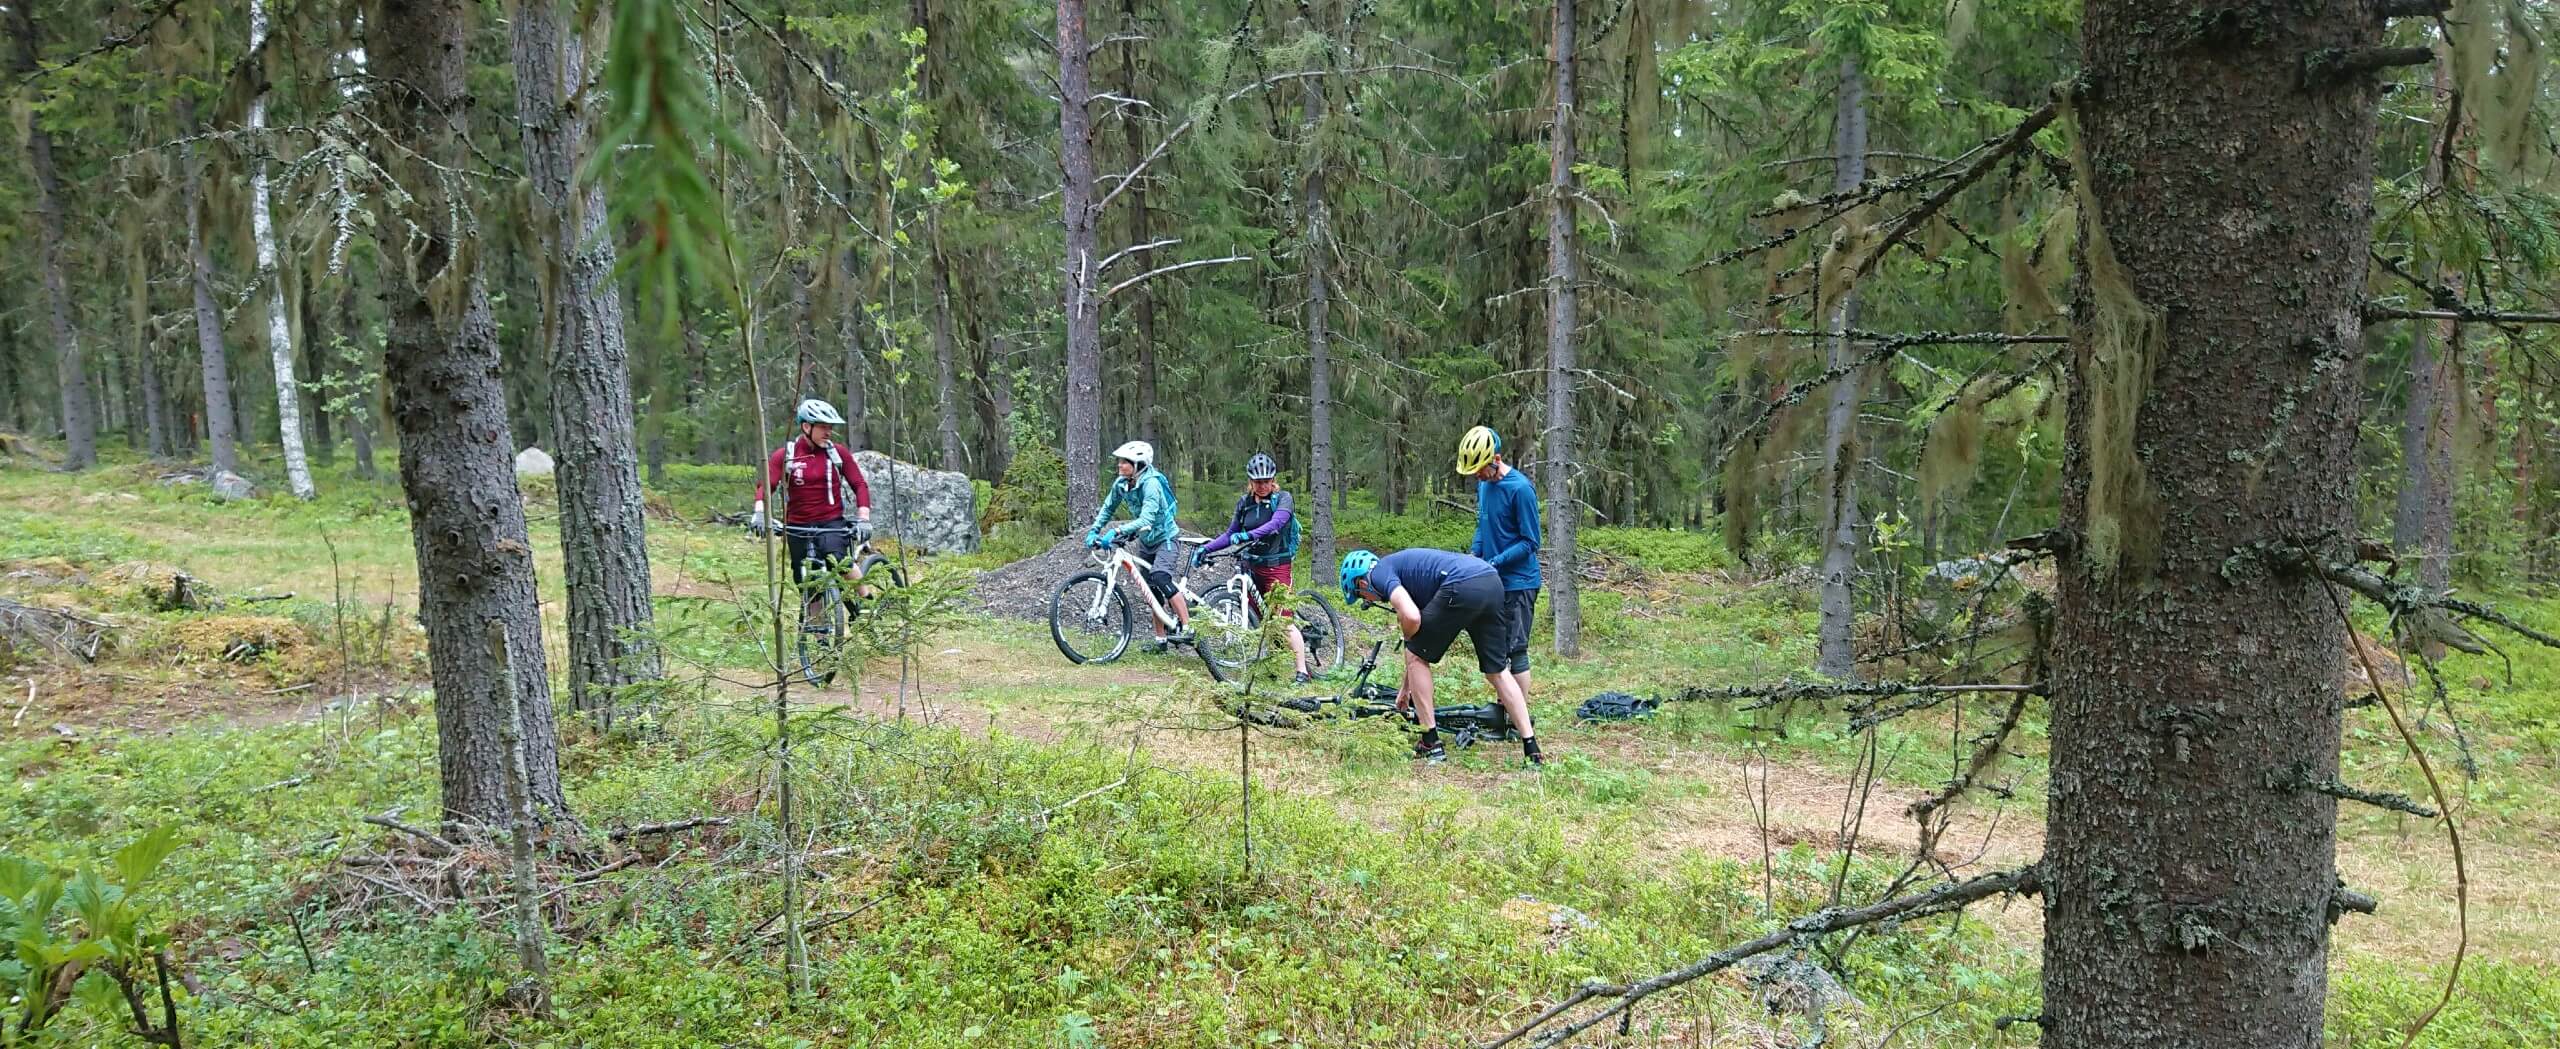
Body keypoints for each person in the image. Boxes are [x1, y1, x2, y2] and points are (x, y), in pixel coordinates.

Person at [1340, 547, 1542, 766]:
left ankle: (1431, 742)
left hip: (1461, 584)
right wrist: (1405, 688)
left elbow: (1411, 618)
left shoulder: (1380, 572)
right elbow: (1419, 641)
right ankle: (1532, 748)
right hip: (1490, 581)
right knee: (1498, 672)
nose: (1369, 601)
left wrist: (1409, 638)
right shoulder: (1407, 574)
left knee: (1416, 655)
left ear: (1362, 584)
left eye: (1363, 597)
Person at [750, 399, 874, 618]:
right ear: (806, 427)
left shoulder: (837, 453)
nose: (829, 432)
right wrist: (759, 513)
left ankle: (866, 602)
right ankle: (820, 641)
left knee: (838, 560)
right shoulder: (786, 455)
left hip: (830, 522)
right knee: (807, 582)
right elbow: (766, 485)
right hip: (797, 526)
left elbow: (859, 484)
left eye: (830, 427)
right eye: (823, 426)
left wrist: (864, 516)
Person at [1196, 452, 1313, 684]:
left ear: (1273, 480)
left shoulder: (1284, 498)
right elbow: (1231, 534)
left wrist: (1248, 534)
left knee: (1282, 620)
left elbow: (1276, 524)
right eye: (1258, 482)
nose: (1263, 485)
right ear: (1251, 481)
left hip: (1277, 565)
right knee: (1257, 617)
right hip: (1251, 566)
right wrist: (1207, 548)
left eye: (1267, 481)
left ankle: (1302, 671)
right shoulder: (1245, 503)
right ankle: (1268, 662)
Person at [1459, 425, 1543, 696]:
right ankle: (1504, 710)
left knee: (1516, 650)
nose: (1478, 476)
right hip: (1493, 580)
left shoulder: (1520, 489)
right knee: (1498, 649)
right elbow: (1483, 525)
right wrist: (1474, 555)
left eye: (1481, 469)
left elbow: (1531, 542)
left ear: (1496, 460)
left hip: (1520, 583)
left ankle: (1517, 719)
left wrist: (1495, 561)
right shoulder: (1485, 487)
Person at [1086, 440, 1187, 646]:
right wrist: (1095, 530)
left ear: (1139, 465)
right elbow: (1108, 508)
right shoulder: (1121, 483)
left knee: (1160, 577)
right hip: (1146, 541)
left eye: (1125, 462)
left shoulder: (1151, 484)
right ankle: (1160, 640)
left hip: (1166, 539)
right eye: (1120, 461)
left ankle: (1188, 626)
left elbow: (1146, 519)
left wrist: (1118, 530)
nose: (1119, 465)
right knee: (1151, 591)